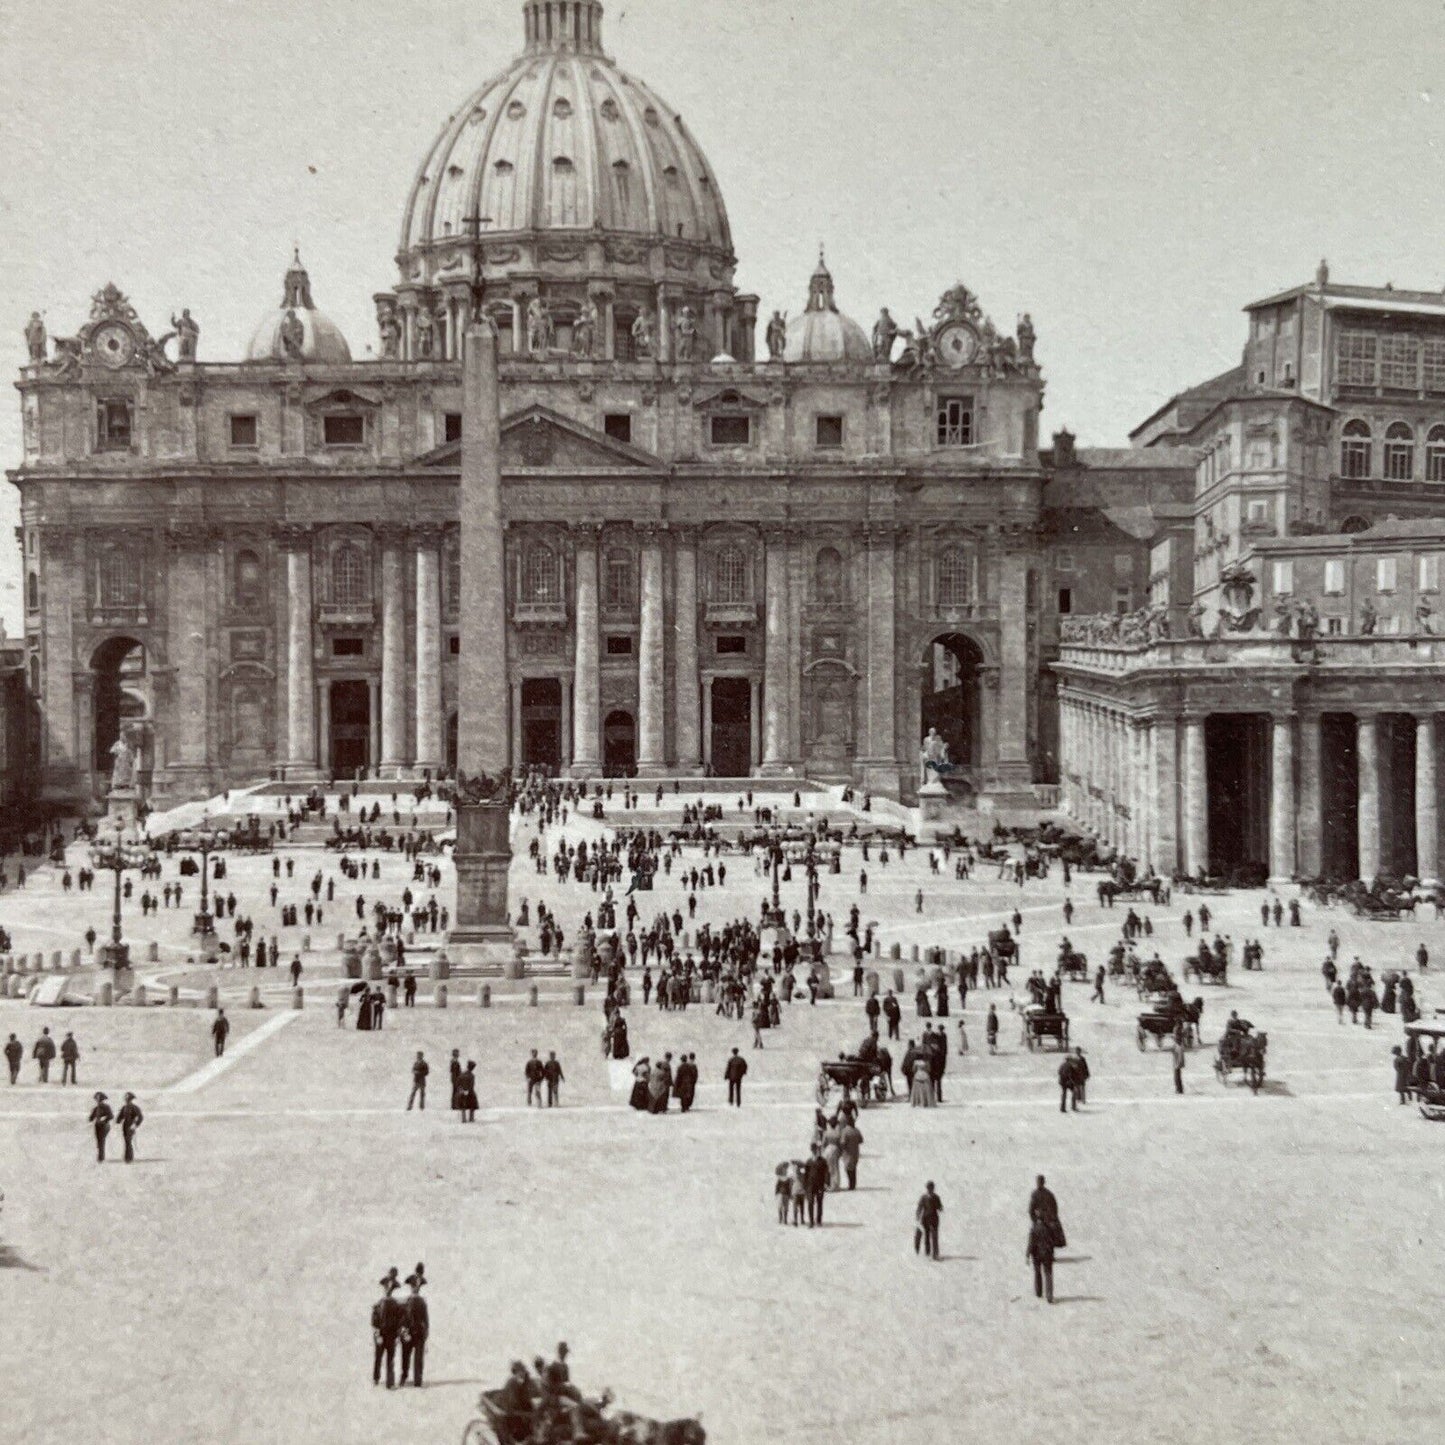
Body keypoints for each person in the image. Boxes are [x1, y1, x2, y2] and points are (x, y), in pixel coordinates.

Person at [372, 1273, 404, 1388]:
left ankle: (390, 1382)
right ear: (384, 1288)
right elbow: (375, 1322)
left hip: (391, 1335)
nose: (388, 1290)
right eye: (386, 1288)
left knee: (390, 1359)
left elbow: (399, 1322)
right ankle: (376, 1378)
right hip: (381, 1334)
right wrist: (377, 1334)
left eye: (390, 1289)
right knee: (378, 1358)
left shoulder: (396, 1305)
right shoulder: (379, 1304)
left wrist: (397, 1335)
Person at [399, 1272, 428, 1387]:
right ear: (410, 1287)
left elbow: (426, 1318)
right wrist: (404, 1331)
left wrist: (426, 1331)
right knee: (405, 1355)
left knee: (419, 1357)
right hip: (408, 1332)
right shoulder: (406, 1302)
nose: (415, 1288)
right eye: (413, 1286)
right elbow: (402, 1318)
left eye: (417, 1287)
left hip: (419, 1333)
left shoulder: (422, 1302)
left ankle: (418, 1380)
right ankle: (404, 1375)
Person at [1027, 1216, 1056, 1303]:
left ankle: (1039, 1292)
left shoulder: (1034, 1228)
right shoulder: (1049, 1228)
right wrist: (1052, 1253)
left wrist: (1027, 1255)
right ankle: (1049, 1296)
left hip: (1036, 1255)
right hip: (1047, 1254)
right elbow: (1052, 1242)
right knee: (1048, 1274)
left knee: (1037, 1273)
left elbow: (1031, 1243)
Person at [915, 1181, 943, 1260]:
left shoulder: (936, 1197)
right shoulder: (924, 1197)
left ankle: (935, 1254)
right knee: (927, 1235)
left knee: (934, 1236)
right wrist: (918, 1215)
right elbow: (920, 1207)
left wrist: (939, 1207)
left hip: (934, 1219)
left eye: (931, 1188)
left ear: (933, 1188)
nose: (930, 1189)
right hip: (925, 1218)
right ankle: (927, 1252)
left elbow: (940, 1207)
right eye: (929, 1188)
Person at [803, 1145, 829, 1227]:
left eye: (817, 1150)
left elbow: (827, 1173)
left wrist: (826, 1183)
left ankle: (819, 1220)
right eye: (814, 1150)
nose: (815, 1152)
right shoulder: (808, 1161)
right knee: (810, 1202)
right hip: (810, 1185)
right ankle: (811, 1221)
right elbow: (806, 1174)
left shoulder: (823, 1161)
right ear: (812, 1151)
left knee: (819, 1203)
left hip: (820, 1185)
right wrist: (804, 1186)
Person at [117, 1092, 143, 1162]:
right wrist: (118, 1120)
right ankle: (127, 1157)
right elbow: (120, 1116)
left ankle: (129, 1158)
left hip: (131, 1126)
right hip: (125, 1126)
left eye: (128, 1098)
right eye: (126, 1098)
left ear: (131, 1099)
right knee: (126, 1141)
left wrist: (135, 1125)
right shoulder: (124, 1107)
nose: (126, 1100)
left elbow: (140, 1117)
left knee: (128, 1141)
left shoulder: (135, 1107)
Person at [839, 1117, 863, 1190]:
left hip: (847, 1152)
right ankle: (853, 1184)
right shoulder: (857, 1130)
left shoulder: (845, 1131)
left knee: (848, 1168)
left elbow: (843, 1142)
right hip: (855, 1152)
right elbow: (861, 1140)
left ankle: (851, 1184)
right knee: (854, 1168)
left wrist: (841, 1150)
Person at [89, 1091, 113, 1162]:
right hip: (97, 1126)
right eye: (97, 1100)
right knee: (99, 1141)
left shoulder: (106, 1107)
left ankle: (101, 1157)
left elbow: (111, 1116)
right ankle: (100, 1156)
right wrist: (91, 1117)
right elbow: (91, 1118)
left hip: (104, 1126)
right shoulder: (96, 1108)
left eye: (99, 1099)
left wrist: (104, 1119)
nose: (98, 1101)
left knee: (101, 1140)